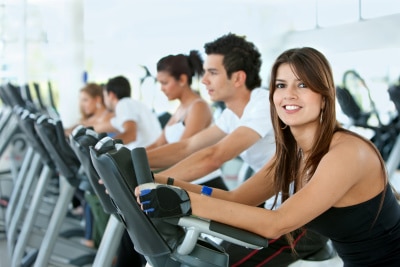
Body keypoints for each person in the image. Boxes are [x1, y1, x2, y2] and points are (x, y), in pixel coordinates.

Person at [137, 47, 400, 266]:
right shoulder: (295, 153)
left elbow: (277, 223)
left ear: (324, 97)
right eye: (281, 85)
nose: (289, 94)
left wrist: (183, 201)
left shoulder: (346, 152)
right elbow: (237, 199)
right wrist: (159, 182)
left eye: (303, 85)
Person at [144, 34, 328, 266]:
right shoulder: (231, 115)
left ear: (238, 78)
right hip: (271, 204)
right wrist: (134, 163)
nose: (204, 80)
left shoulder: (263, 105)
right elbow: (187, 146)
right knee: (207, 254)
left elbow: (214, 156)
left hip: (303, 221)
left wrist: (151, 180)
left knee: (221, 262)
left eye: (213, 72)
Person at [146, 50, 212, 150]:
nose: (161, 88)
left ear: (182, 80)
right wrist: (130, 158)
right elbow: (158, 144)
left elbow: (182, 150)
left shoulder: (199, 107)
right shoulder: (181, 108)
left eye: (164, 83)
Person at [103, 75, 162, 149]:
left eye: (104, 96)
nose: (104, 101)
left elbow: (130, 136)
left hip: (145, 155)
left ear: (111, 95)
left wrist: (104, 147)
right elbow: (103, 127)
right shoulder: (132, 105)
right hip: (151, 151)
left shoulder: (123, 103)